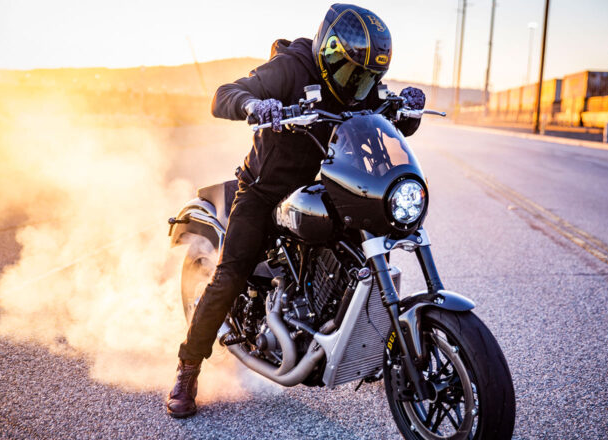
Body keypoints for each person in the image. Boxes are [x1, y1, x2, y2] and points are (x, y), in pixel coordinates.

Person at [166, 3, 427, 418]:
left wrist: (406, 110)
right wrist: (254, 106)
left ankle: (360, 337)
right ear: (328, 53)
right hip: (266, 190)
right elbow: (224, 95)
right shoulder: (291, 67)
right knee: (230, 274)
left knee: (367, 246)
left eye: (368, 77)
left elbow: (378, 113)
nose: (357, 84)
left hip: (327, 185)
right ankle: (188, 366)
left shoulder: (356, 79)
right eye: (351, 73)